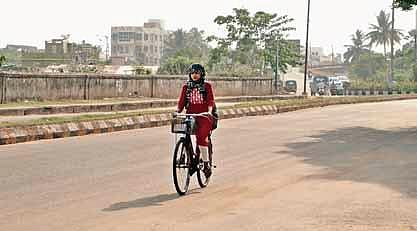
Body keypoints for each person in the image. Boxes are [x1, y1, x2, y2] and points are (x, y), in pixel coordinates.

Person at [176, 63, 215, 178]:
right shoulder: (186, 87)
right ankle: (185, 153)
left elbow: (210, 101)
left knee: (201, 137)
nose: (195, 75)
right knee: (184, 132)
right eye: (192, 73)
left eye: (197, 73)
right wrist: (177, 111)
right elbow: (182, 102)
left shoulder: (207, 86)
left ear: (201, 74)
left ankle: (206, 164)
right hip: (190, 114)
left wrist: (209, 111)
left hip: (204, 116)